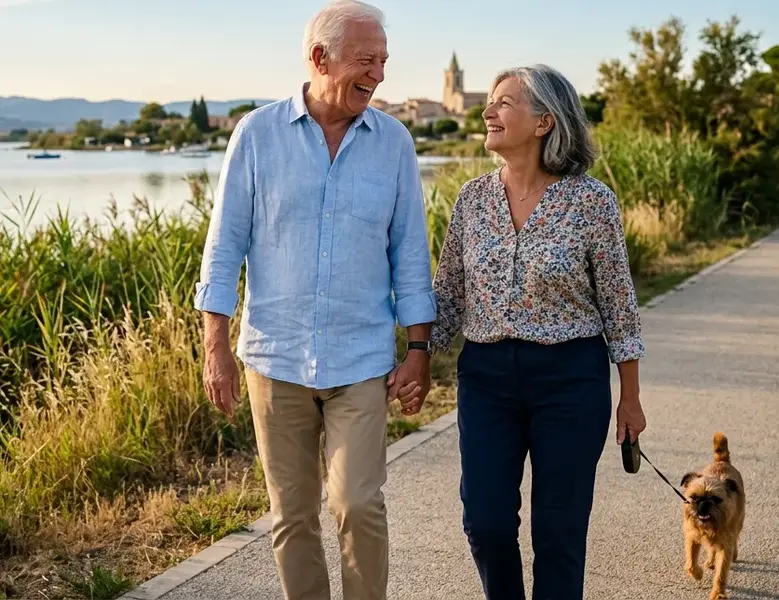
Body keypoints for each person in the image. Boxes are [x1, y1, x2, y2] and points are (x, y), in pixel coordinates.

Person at [193, 1, 436, 599]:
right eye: (366, 60)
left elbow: (410, 250)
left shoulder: (394, 143)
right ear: (319, 58)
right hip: (274, 359)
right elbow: (224, 247)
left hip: (361, 360)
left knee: (357, 503)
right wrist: (215, 346)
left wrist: (419, 347)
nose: (378, 74)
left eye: (383, 60)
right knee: (292, 516)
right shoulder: (257, 135)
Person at [430, 64, 648, 600]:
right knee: (486, 522)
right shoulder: (472, 199)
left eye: (504, 103)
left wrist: (631, 398)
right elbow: (449, 296)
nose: (488, 111)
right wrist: (413, 355)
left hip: (570, 378)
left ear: (545, 121)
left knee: (559, 531)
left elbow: (619, 304)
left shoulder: (590, 201)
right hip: (486, 378)